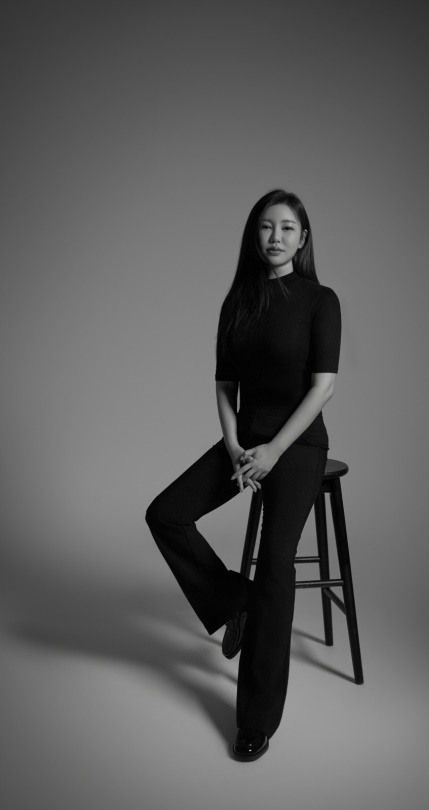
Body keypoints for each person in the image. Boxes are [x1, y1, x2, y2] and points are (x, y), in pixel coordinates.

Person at [145, 188, 341, 761]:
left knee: (276, 564)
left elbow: (323, 387)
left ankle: (256, 720)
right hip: (245, 445)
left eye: (286, 228)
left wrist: (274, 450)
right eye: (265, 227)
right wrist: (235, 448)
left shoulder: (320, 300)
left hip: (296, 445)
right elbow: (224, 386)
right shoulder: (239, 301)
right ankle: (237, 602)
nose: (275, 237)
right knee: (166, 515)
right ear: (254, 237)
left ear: (302, 239)